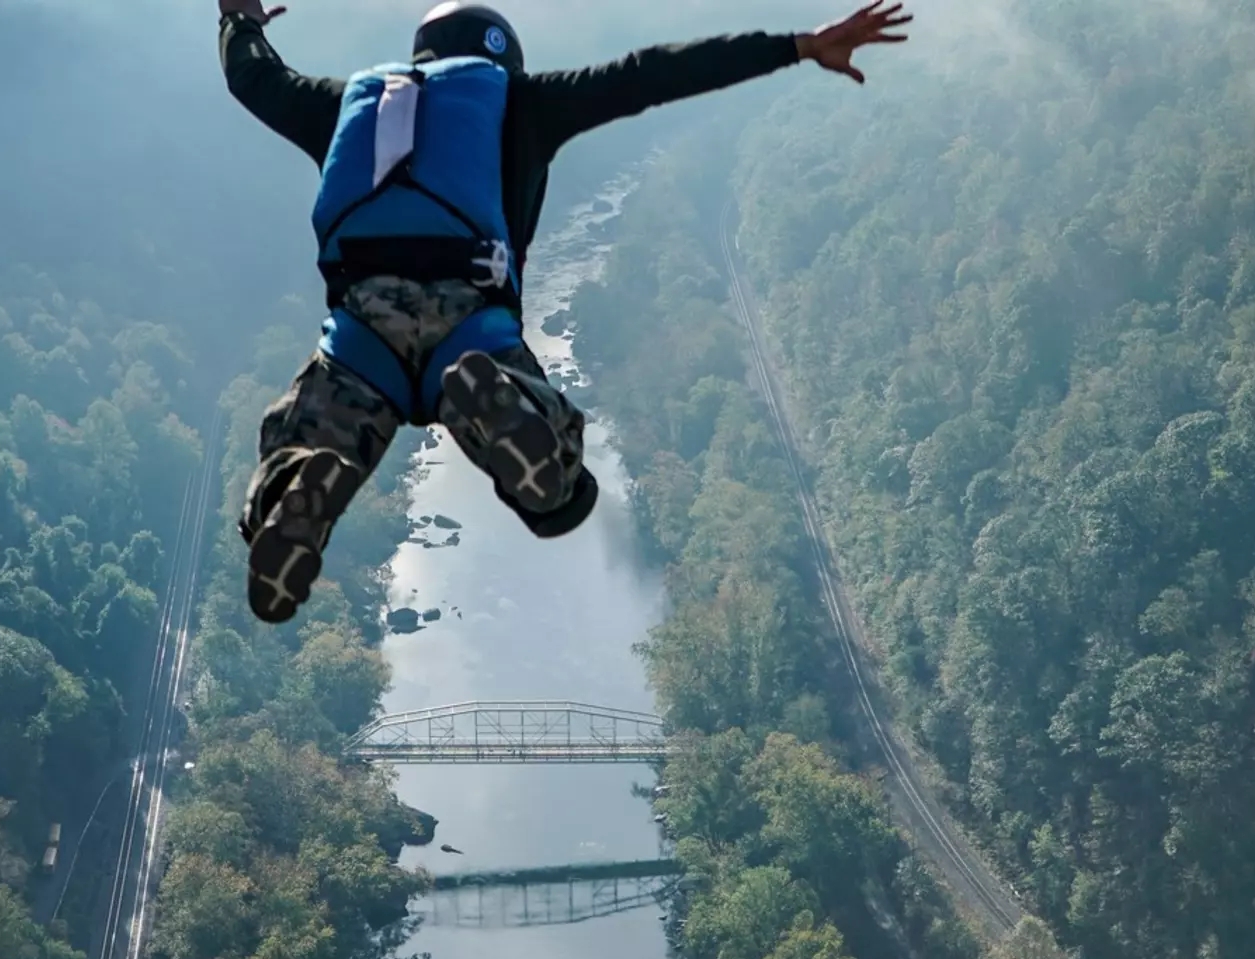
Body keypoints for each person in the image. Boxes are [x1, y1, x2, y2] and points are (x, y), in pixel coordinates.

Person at [221, 0, 912, 623]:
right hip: (472, 326)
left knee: (294, 447)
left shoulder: (345, 106)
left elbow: (253, 79)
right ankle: (504, 405)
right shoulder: (519, 101)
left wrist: (239, 16)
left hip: (360, 331)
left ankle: (298, 481)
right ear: (500, 59)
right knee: (559, 498)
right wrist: (795, 45)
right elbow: (649, 74)